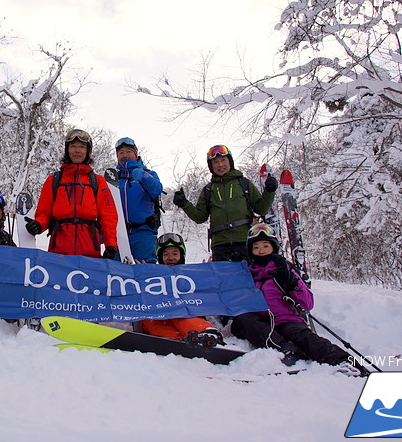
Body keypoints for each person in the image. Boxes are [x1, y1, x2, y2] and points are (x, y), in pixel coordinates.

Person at [231, 223, 365, 375]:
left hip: (286, 320)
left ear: (273, 247)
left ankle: (344, 361)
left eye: (265, 246)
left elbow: (307, 303)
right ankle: (288, 350)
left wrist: (290, 281)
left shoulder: (284, 269)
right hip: (262, 323)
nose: (261, 251)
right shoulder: (247, 273)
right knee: (241, 321)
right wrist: (233, 269)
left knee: (303, 337)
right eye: (256, 247)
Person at [172, 145, 278, 262]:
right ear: (211, 166)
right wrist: (184, 204)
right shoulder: (208, 190)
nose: (220, 165)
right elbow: (200, 217)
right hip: (220, 246)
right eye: (216, 162)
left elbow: (262, 209)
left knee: (247, 278)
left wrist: (269, 191)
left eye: (223, 160)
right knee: (224, 279)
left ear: (230, 162)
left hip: (244, 241)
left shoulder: (244, 184)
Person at [25, 128, 119, 259]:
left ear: (88, 151)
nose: (77, 151)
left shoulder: (97, 181)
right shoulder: (53, 180)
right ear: (67, 150)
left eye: (81, 147)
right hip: (59, 250)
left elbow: (108, 216)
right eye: (73, 146)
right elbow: (44, 212)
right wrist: (39, 224)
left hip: (90, 249)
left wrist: (111, 245)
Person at [139, 233, 224, 347]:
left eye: (175, 253)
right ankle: (183, 339)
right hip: (160, 315)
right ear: (160, 257)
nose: (170, 258)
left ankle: (205, 333)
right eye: (166, 254)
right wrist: (139, 277)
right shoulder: (153, 275)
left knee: (179, 313)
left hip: (186, 313)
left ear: (181, 255)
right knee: (149, 322)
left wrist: (207, 276)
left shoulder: (189, 275)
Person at [114, 137, 163, 263]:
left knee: (144, 270)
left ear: (135, 153)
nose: (125, 155)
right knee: (116, 273)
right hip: (119, 234)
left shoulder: (149, 173)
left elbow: (156, 189)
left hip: (143, 232)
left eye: (128, 152)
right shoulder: (114, 179)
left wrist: (143, 177)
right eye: (121, 153)